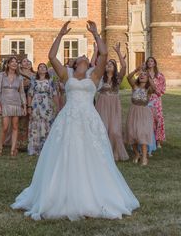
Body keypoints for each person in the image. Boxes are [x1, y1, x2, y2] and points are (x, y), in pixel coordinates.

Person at [12, 21, 139, 220]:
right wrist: (60, 35)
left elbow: (104, 55)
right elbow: (52, 57)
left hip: (88, 119)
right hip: (68, 119)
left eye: (84, 57)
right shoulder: (66, 75)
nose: (81, 56)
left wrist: (97, 34)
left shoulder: (94, 75)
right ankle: (61, 192)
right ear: (74, 63)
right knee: (65, 152)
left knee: (92, 154)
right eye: (79, 57)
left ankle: (93, 194)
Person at [95, 43, 129, 161]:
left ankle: (115, 151)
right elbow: (93, 66)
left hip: (114, 105)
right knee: (103, 129)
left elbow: (124, 67)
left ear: (114, 68)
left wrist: (118, 52)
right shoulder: (100, 78)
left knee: (115, 131)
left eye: (111, 64)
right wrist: (96, 51)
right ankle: (104, 153)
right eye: (107, 64)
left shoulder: (118, 78)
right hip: (102, 104)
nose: (109, 65)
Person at [125, 65, 157, 165]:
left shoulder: (148, 90)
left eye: (144, 75)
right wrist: (136, 70)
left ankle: (144, 157)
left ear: (147, 78)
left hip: (144, 113)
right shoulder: (135, 86)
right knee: (132, 133)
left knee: (142, 134)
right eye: (141, 75)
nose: (142, 76)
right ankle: (136, 154)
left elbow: (154, 88)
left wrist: (149, 76)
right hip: (133, 111)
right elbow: (128, 77)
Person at [0, 56, 27, 157]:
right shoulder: (1, 75)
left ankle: (13, 149)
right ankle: (0, 147)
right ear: (8, 64)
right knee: (4, 127)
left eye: (16, 62)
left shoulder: (20, 77)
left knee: (15, 126)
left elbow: (22, 92)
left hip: (16, 103)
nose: (14, 63)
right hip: (5, 103)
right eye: (12, 62)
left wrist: (25, 106)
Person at [27, 63, 58, 156]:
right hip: (36, 105)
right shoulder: (33, 81)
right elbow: (29, 94)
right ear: (38, 69)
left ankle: (46, 147)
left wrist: (57, 106)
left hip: (47, 105)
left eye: (44, 67)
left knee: (47, 123)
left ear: (46, 70)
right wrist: (29, 106)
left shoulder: (50, 81)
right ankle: (35, 148)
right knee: (35, 124)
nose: (42, 68)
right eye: (40, 67)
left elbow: (55, 94)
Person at [145, 57, 166, 148]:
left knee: (158, 119)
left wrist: (155, 90)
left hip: (156, 99)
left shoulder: (160, 76)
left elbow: (161, 90)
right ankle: (148, 139)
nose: (150, 63)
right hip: (146, 98)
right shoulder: (144, 74)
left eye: (152, 61)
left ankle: (158, 141)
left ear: (154, 63)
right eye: (148, 61)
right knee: (148, 119)